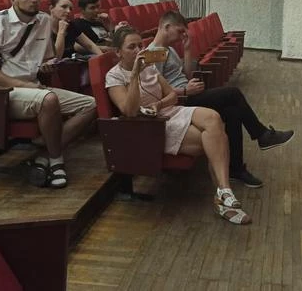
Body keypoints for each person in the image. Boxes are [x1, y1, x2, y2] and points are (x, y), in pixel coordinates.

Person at [106, 26, 251, 225]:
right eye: (132, 47)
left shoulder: (150, 67)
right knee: (214, 139)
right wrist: (134, 75)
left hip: (167, 111)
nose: (139, 50)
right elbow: (129, 111)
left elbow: (172, 95)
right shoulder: (114, 76)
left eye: (140, 45)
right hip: (149, 126)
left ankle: (224, 191)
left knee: (213, 118)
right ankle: (223, 200)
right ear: (118, 52)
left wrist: (159, 104)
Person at [0, 0, 97, 189]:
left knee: (91, 105)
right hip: (3, 92)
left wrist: (48, 66)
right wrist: (23, 85)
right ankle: (56, 160)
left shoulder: (44, 21)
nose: (34, 0)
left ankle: (44, 154)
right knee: (48, 100)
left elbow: (48, 58)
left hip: (35, 86)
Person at [147, 10, 294, 188]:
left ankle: (236, 169)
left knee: (233, 112)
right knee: (233, 93)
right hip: (179, 103)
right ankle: (262, 135)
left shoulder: (169, 50)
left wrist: (187, 50)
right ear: (166, 27)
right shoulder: (152, 54)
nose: (181, 36)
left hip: (189, 93)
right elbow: (156, 92)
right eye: (179, 31)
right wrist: (185, 90)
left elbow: (186, 75)